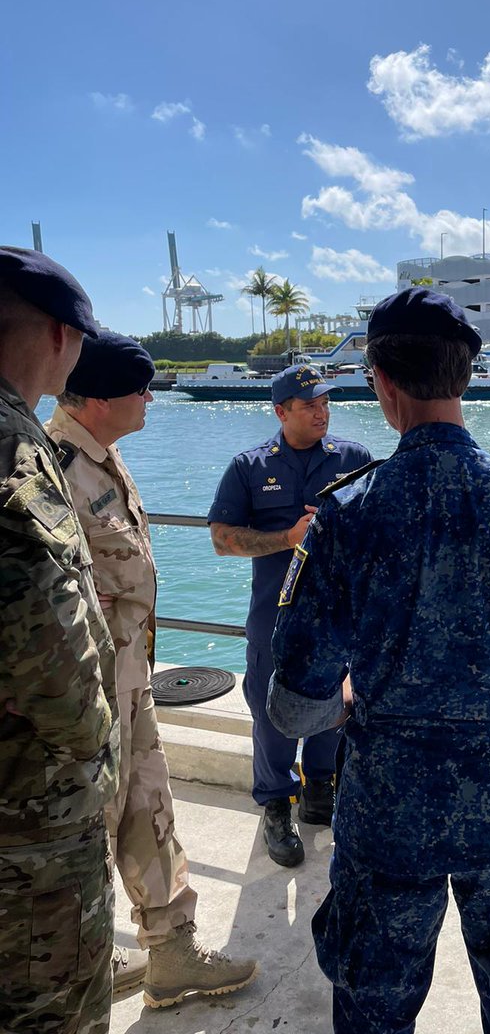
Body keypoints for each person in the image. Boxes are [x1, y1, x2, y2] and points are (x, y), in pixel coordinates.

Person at [267, 286, 490, 1034]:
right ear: (464, 377)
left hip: (386, 811)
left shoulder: (346, 511)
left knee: (374, 1009)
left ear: (382, 381)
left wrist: (353, 692)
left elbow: (297, 707)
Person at [46, 330, 259, 1009]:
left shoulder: (100, 456)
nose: (149, 402)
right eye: (142, 391)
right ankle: (76, 964)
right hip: (84, 692)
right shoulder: (50, 468)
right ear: (103, 397)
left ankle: (168, 953)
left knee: (146, 807)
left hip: (127, 679)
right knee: (83, 828)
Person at [0, 247, 118, 1033]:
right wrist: (101, 754)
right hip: (30, 813)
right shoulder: (12, 448)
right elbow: (44, 641)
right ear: (55, 336)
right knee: (52, 1010)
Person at [209, 364, 371, 866]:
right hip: (274, 616)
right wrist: (286, 537)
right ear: (281, 412)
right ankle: (276, 802)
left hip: (339, 614)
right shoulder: (248, 467)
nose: (321, 412)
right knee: (270, 711)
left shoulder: (355, 459)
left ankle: (320, 787)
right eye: (309, 405)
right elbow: (222, 539)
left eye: (326, 403)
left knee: (333, 703)